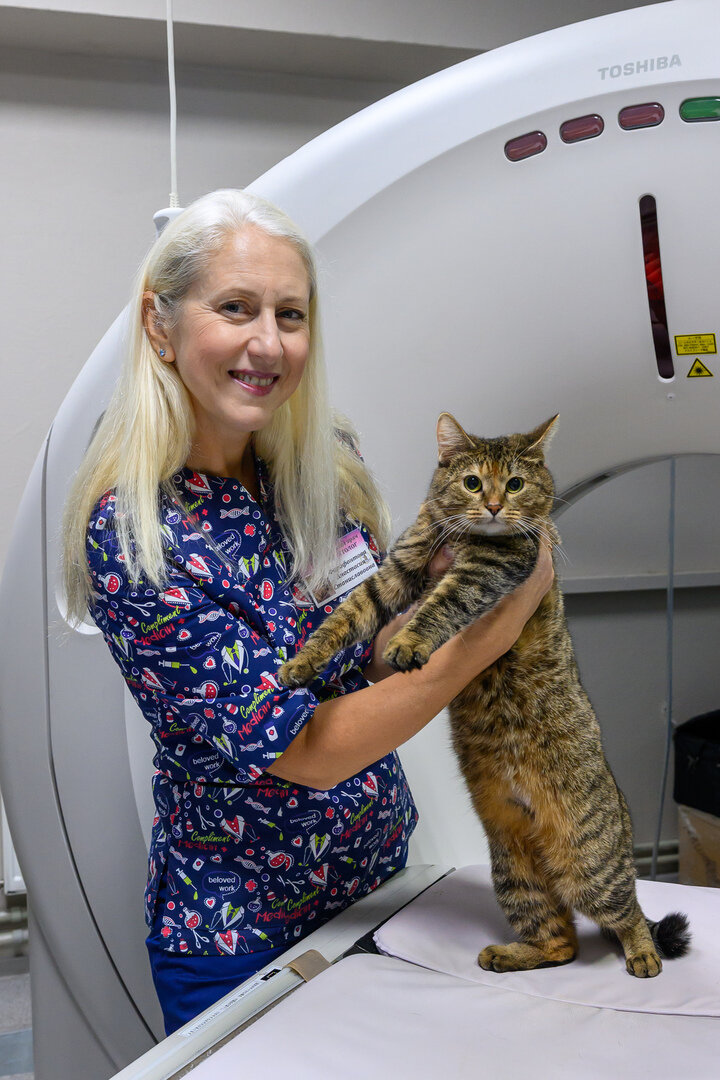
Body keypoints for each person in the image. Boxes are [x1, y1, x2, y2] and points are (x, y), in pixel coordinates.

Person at [62, 188, 554, 1035]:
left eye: (290, 315)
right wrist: (483, 638)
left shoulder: (325, 465)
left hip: (381, 894)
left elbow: (369, 657)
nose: (268, 343)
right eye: (235, 308)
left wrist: (442, 593)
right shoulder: (137, 537)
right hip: (241, 939)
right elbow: (309, 752)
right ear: (159, 324)